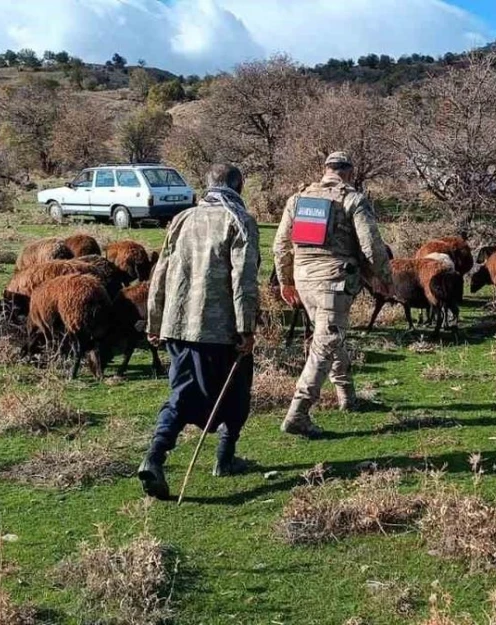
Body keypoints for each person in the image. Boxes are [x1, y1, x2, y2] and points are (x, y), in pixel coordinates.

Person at [138, 163, 260, 499]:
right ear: (240, 185)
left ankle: (168, 455)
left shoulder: (182, 218)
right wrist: (246, 328)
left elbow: (159, 271)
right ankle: (213, 456)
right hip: (219, 330)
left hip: (177, 325)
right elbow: (244, 280)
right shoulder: (240, 221)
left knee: (184, 392)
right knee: (232, 392)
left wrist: (155, 320)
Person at [273, 151, 392, 438]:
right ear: (349, 172)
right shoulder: (354, 199)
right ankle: (298, 413)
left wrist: (286, 281)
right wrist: (385, 280)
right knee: (325, 343)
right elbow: (371, 247)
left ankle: (347, 396)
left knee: (330, 335)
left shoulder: (298, 199)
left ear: (325, 170)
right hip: (333, 281)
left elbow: (280, 245)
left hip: (304, 279)